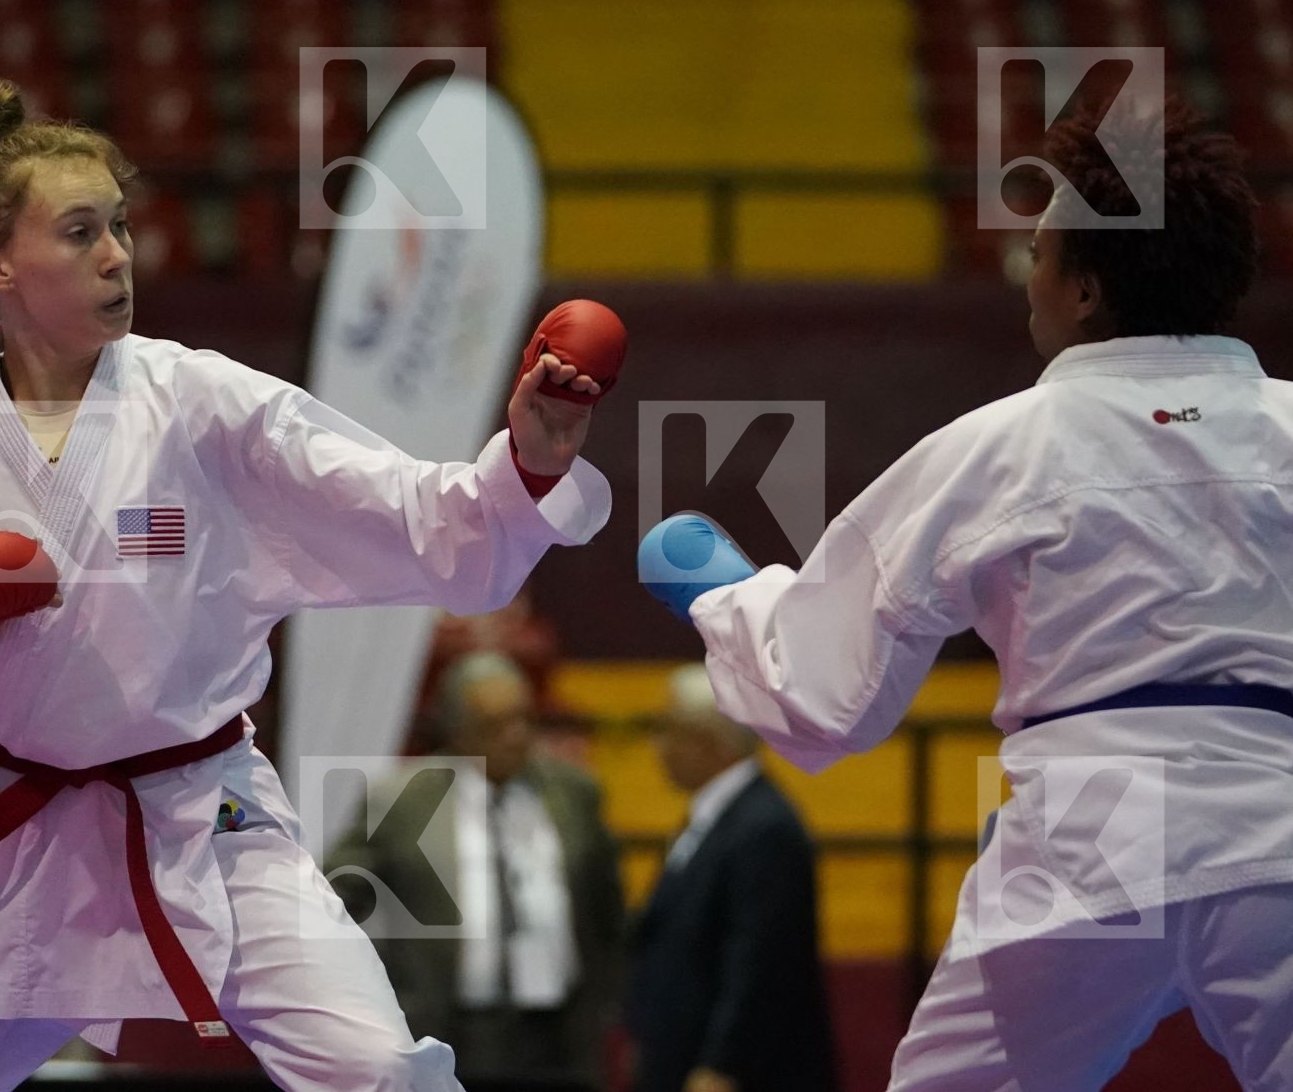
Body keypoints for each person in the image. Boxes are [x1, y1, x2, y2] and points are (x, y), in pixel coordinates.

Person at [0, 76, 625, 1092]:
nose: (116, 255)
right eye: (81, 232)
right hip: (17, 834)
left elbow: (409, 512)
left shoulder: (201, 403)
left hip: (209, 820)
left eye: (121, 228)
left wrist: (526, 460)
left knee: (381, 1072)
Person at [640, 97, 1293, 1089]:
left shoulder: (1005, 445)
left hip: (1092, 830)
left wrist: (724, 599)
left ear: (1083, 290)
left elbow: (829, 693)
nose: (1025, 276)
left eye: (1038, 253)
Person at [328, 651, 625, 1085]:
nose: (515, 736)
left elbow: (607, 909)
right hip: (446, 1029)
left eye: (524, 720)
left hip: (557, 1032)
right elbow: (335, 896)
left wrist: (608, 1001)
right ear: (457, 731)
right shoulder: (402, 800)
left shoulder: (573, 792)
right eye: (495, 726)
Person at [626, 664, 834, 1092]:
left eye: (668, 730)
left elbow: (761, 965)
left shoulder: (764, 828)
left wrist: (722, 1066)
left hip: (739, 1076)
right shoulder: (715, 818)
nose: (658, 746)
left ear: (708, 742)